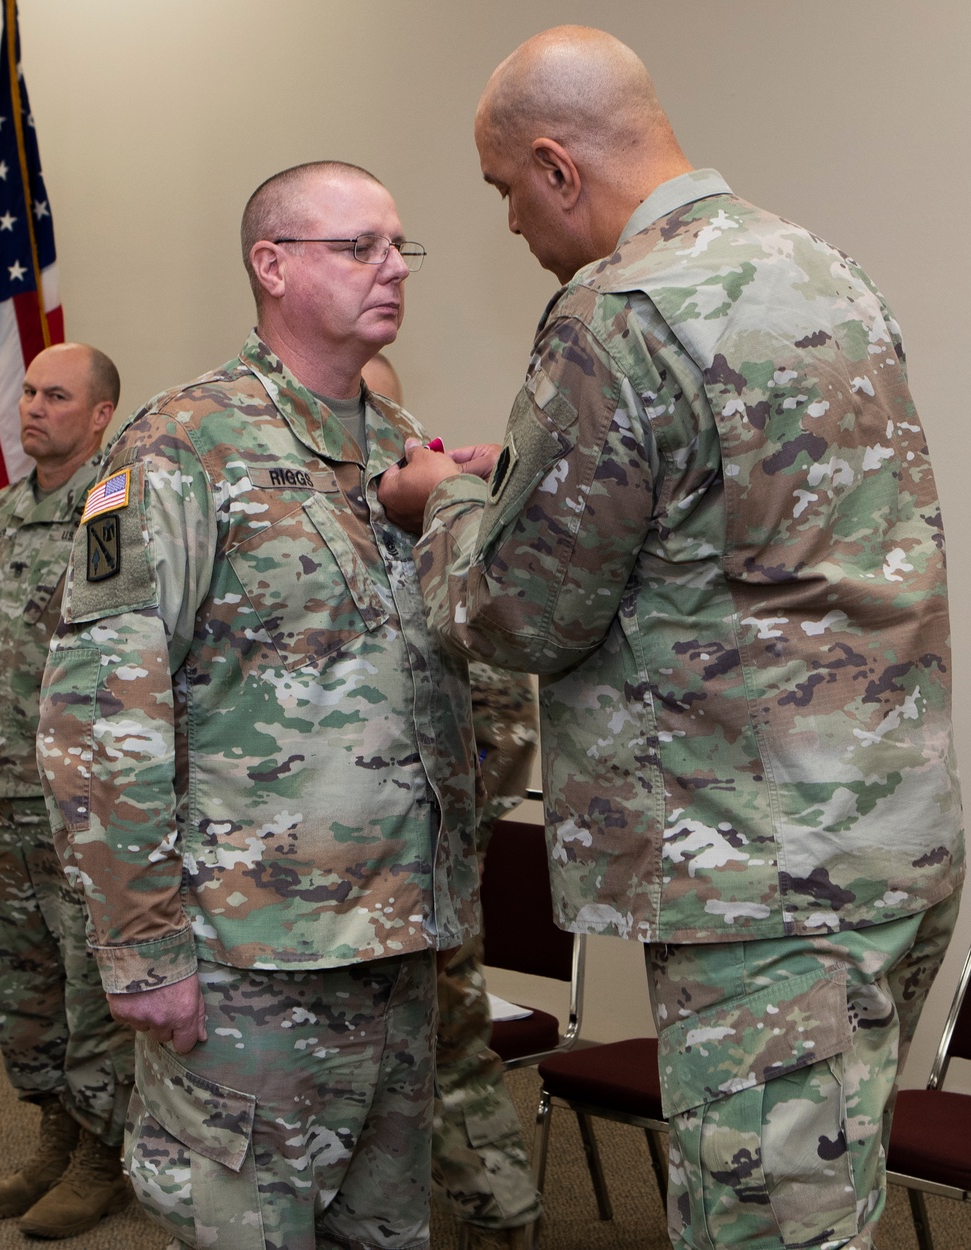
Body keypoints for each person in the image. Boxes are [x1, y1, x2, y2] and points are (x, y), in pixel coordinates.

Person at [379, 26, 965, 1250]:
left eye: (501, 193)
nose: (508, 230)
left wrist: (445, 508)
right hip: (884, 837)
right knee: (831, 1208)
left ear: (554, 166)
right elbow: (733, 526)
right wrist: (523, 494)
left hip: (754, 878)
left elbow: (522, 612)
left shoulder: (615, 312)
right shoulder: (817, 267)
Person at [37, 161, 479, 1250]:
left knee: (385, 1232)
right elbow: (100, 709)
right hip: (249, 960)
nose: (391, 269)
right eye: (358, 245)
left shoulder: (398, 449)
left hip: (392, 943)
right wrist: (141, 949)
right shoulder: (177, 444)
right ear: (271, 265)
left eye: (398, 247)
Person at [363, 353, 542, 1249]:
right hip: (326, 872)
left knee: (449, 1054)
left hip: (427, 858)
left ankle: (501, 1223)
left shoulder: (444, 518)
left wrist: (447, 828)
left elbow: (506, 718)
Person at [0, 342, 134, 1238]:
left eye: (56, 394)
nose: (33, 406)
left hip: (77, 801)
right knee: (20, 989)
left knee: (89, 988)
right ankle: (50, 1138)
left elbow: (123, 656)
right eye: (28, 389)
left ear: (101, 413)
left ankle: (103, 1158)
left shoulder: (108, 512)